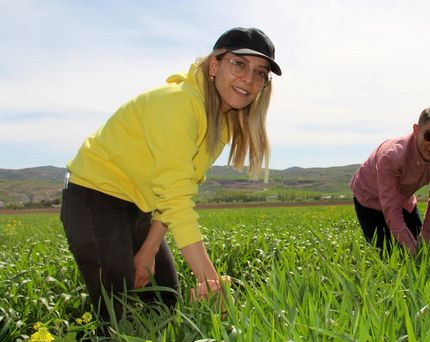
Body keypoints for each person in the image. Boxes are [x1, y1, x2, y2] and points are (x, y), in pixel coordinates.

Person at [60, 27, 282, 320]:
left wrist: (148, 251)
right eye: (239, 64)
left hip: (140, 206)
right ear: (214, 66)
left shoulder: (220, 126)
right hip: (95, 198)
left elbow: (177, 189)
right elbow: (177, 199)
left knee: (165, 302)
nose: (249, 79)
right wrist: (210, 282)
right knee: (116, 314)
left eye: (260, 73)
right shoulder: (178, 104)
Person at [349, 105, 430, 256]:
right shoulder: (391, 156)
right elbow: (391, 207)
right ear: (417, 130)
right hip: (369, 198)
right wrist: (413, 251)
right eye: (429, 136)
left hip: (403, 198)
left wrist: (426, 235)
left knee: (420, 244)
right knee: (386, 255)